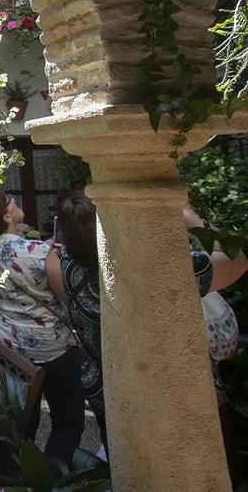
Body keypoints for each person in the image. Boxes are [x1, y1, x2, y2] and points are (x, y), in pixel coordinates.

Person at [48, 192, 248, 457]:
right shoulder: (163, 268)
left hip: (115, 401)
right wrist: (186, 215)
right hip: (178, 401)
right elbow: (238, 260)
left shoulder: (70, 268)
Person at [0, 192, 83, 463]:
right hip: (53, 347)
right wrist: (53, 254)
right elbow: (65, 295)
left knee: (21, 421)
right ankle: (53, 476)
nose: (16, 205)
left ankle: (19, 476)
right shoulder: (39, 252)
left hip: (9, 349)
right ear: (7, 217)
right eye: (13, 204)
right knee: (67, 422)